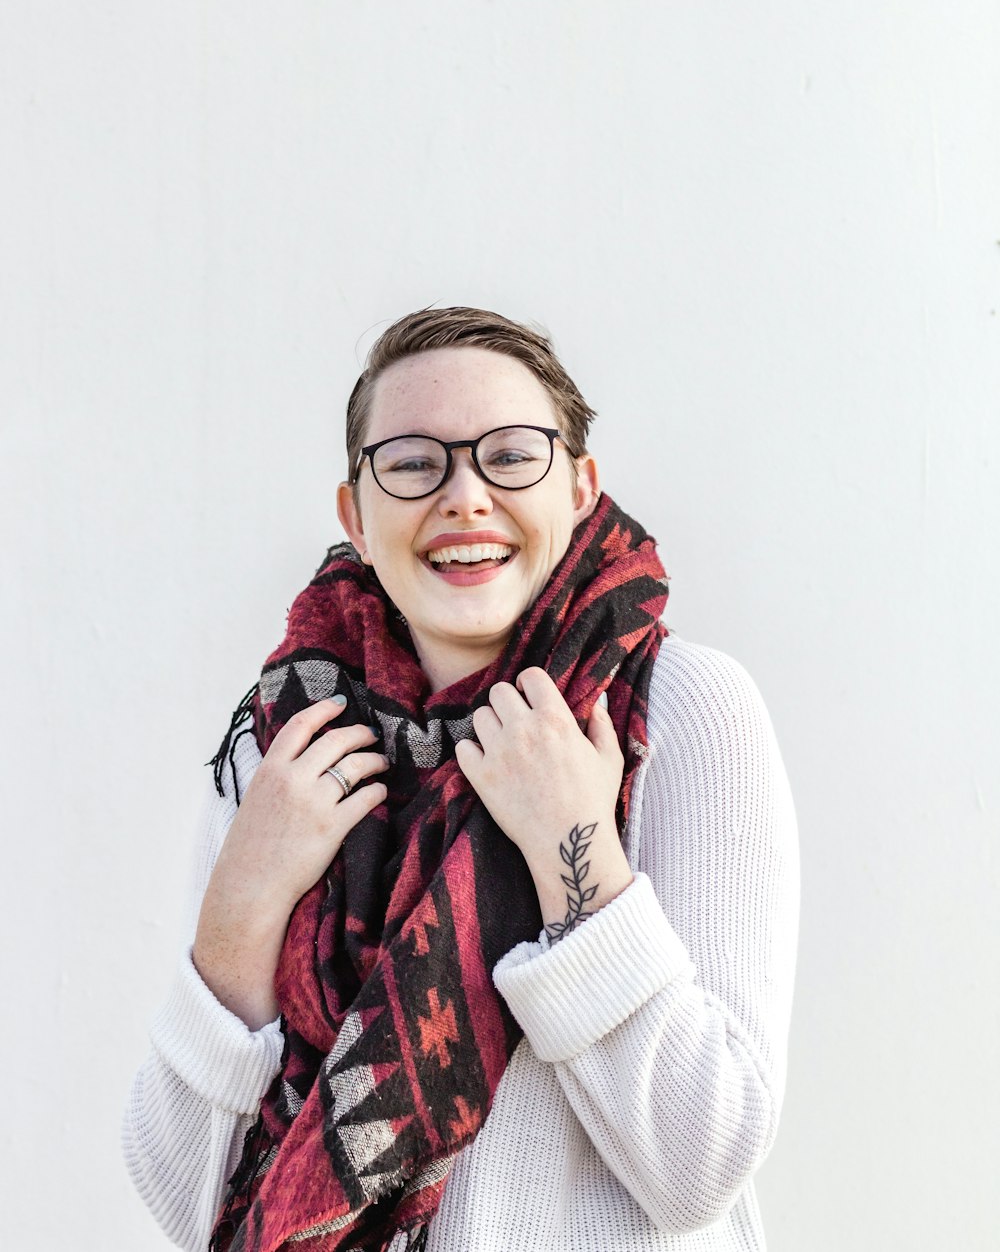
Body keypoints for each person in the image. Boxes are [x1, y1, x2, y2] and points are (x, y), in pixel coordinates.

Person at [122, 306, 799, 1252]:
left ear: (579, 487)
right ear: (356, 514)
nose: (466, 497)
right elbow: (178, 1196)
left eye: (511, 455)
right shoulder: (288, 740)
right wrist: (243, 902)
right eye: (411, 463)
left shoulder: (679, 709)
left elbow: (705, 1163)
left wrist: (578, 860)